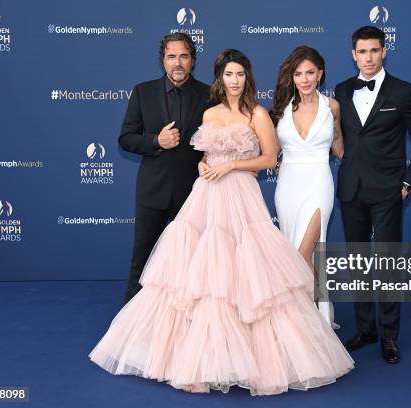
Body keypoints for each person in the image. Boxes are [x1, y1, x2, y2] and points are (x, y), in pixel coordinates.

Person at [90, 49, 354, 395]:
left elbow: (270, 158)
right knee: (205, 272)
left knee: (247, 268)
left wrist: (230, 166)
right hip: (208, 192)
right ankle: (202, 354)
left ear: (247, 78)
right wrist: (203, 166)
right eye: (228, 75)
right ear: (220, 78)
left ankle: (265, 352)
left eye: (240, 75)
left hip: (241, 193)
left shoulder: (257, 113)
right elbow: (203, 154)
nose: (234, 81)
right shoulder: (210, 112)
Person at [334, 26, 411, 363]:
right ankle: (365, 329)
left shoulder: (403, 92)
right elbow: (341, 137)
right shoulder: (342, 89)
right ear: (353, 54)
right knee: (358, 262)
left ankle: (389, 336)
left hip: (388, 189)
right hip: (351, 189)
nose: (368, 58)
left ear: (384, 51)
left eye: (374, 51)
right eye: (362, 52)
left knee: (388, 263)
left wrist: (409, 181)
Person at [119, 33, 212, 303]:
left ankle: (192, 317)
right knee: (143, 258)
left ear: (193, 60)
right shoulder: (142, 92)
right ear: (163, 61)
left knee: (196, 260)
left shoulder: (209, 95)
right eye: (171, 56)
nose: (178, 63)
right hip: (153, 190)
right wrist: (155, 141)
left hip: (194, 193)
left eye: (184, 56)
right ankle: (130, 320)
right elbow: (125, 138)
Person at [271, 46, 344, 328]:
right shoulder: (281, 109)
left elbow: (340, 147)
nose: (304, 79)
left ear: (320, 74)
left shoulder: (332, 106)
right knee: (294, 251)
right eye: (298, 73)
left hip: (319, 184)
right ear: (291, 76)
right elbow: (270, 150)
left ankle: (319, 319)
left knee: (302, 254)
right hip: (288, 187)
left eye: (310, 72)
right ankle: (302, 317)